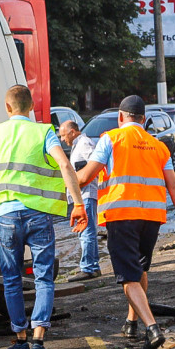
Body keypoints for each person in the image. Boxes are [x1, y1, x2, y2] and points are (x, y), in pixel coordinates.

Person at [0, 85, 86, 349]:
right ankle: (39, 338)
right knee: (44, 278)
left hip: (6, 217)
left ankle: (20, 338)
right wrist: (78, 204)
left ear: (7, 107)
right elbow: (65, 165)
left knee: (11, 280)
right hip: (39, 215)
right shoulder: (44, 132)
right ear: (31, 107)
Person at [76, 95, 175, 349]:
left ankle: (152, 328)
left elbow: (86, 176)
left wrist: (65, 178)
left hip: (122, 215)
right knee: (139, 268)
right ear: (144, 119)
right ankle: (131, 322)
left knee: (129, 276)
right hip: (151, 218)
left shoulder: (111, 139)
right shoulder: (158, 146)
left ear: (121, 117)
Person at [58, 119, 101, 281]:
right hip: (82, 195)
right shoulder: (78, 145)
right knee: (86, 231)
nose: (62, 140)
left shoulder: (84, 144)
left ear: (72, 132)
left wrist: (79, 179)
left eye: (63, 136)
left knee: (86, 231)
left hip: (86, 194)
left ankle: (89, 267)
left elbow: (95, 166)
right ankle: (92, 266)